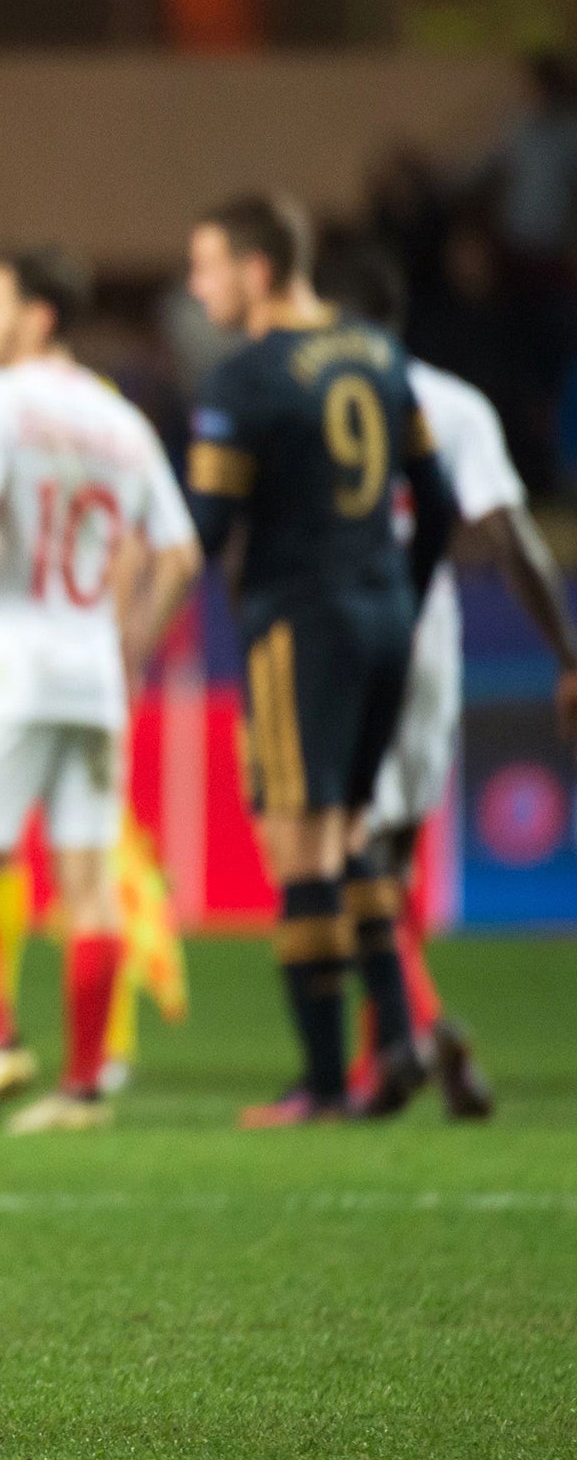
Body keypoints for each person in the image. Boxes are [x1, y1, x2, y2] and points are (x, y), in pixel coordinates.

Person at [0, 248, 202, 1132]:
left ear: (36, 318)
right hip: (93, 676)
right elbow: (180, 554)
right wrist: (132, 645)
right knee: (88, 886)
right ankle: (80, 1088)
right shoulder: (122, 423)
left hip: (7, 663)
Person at [184, 193, 458, 1127]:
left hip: (299, 620)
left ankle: (326, 1084)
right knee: (348, 831)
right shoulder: (378, 352)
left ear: (258, 271)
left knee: (297, 842)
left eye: (208, 266)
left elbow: (210, 525)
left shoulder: (248, 378)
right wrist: (402, 597)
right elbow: (440, 504)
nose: (197, 286)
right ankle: (395, 1042)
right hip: (381, 614)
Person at [316, 244, 577, 1119]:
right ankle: (387, 1056)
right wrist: (569, 658)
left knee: (341, 856)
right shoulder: (455, 403)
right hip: (431, 641)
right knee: (386, 856)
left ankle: (414, 1034)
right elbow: (513, 540)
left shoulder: (307, 393)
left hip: (339, 644)